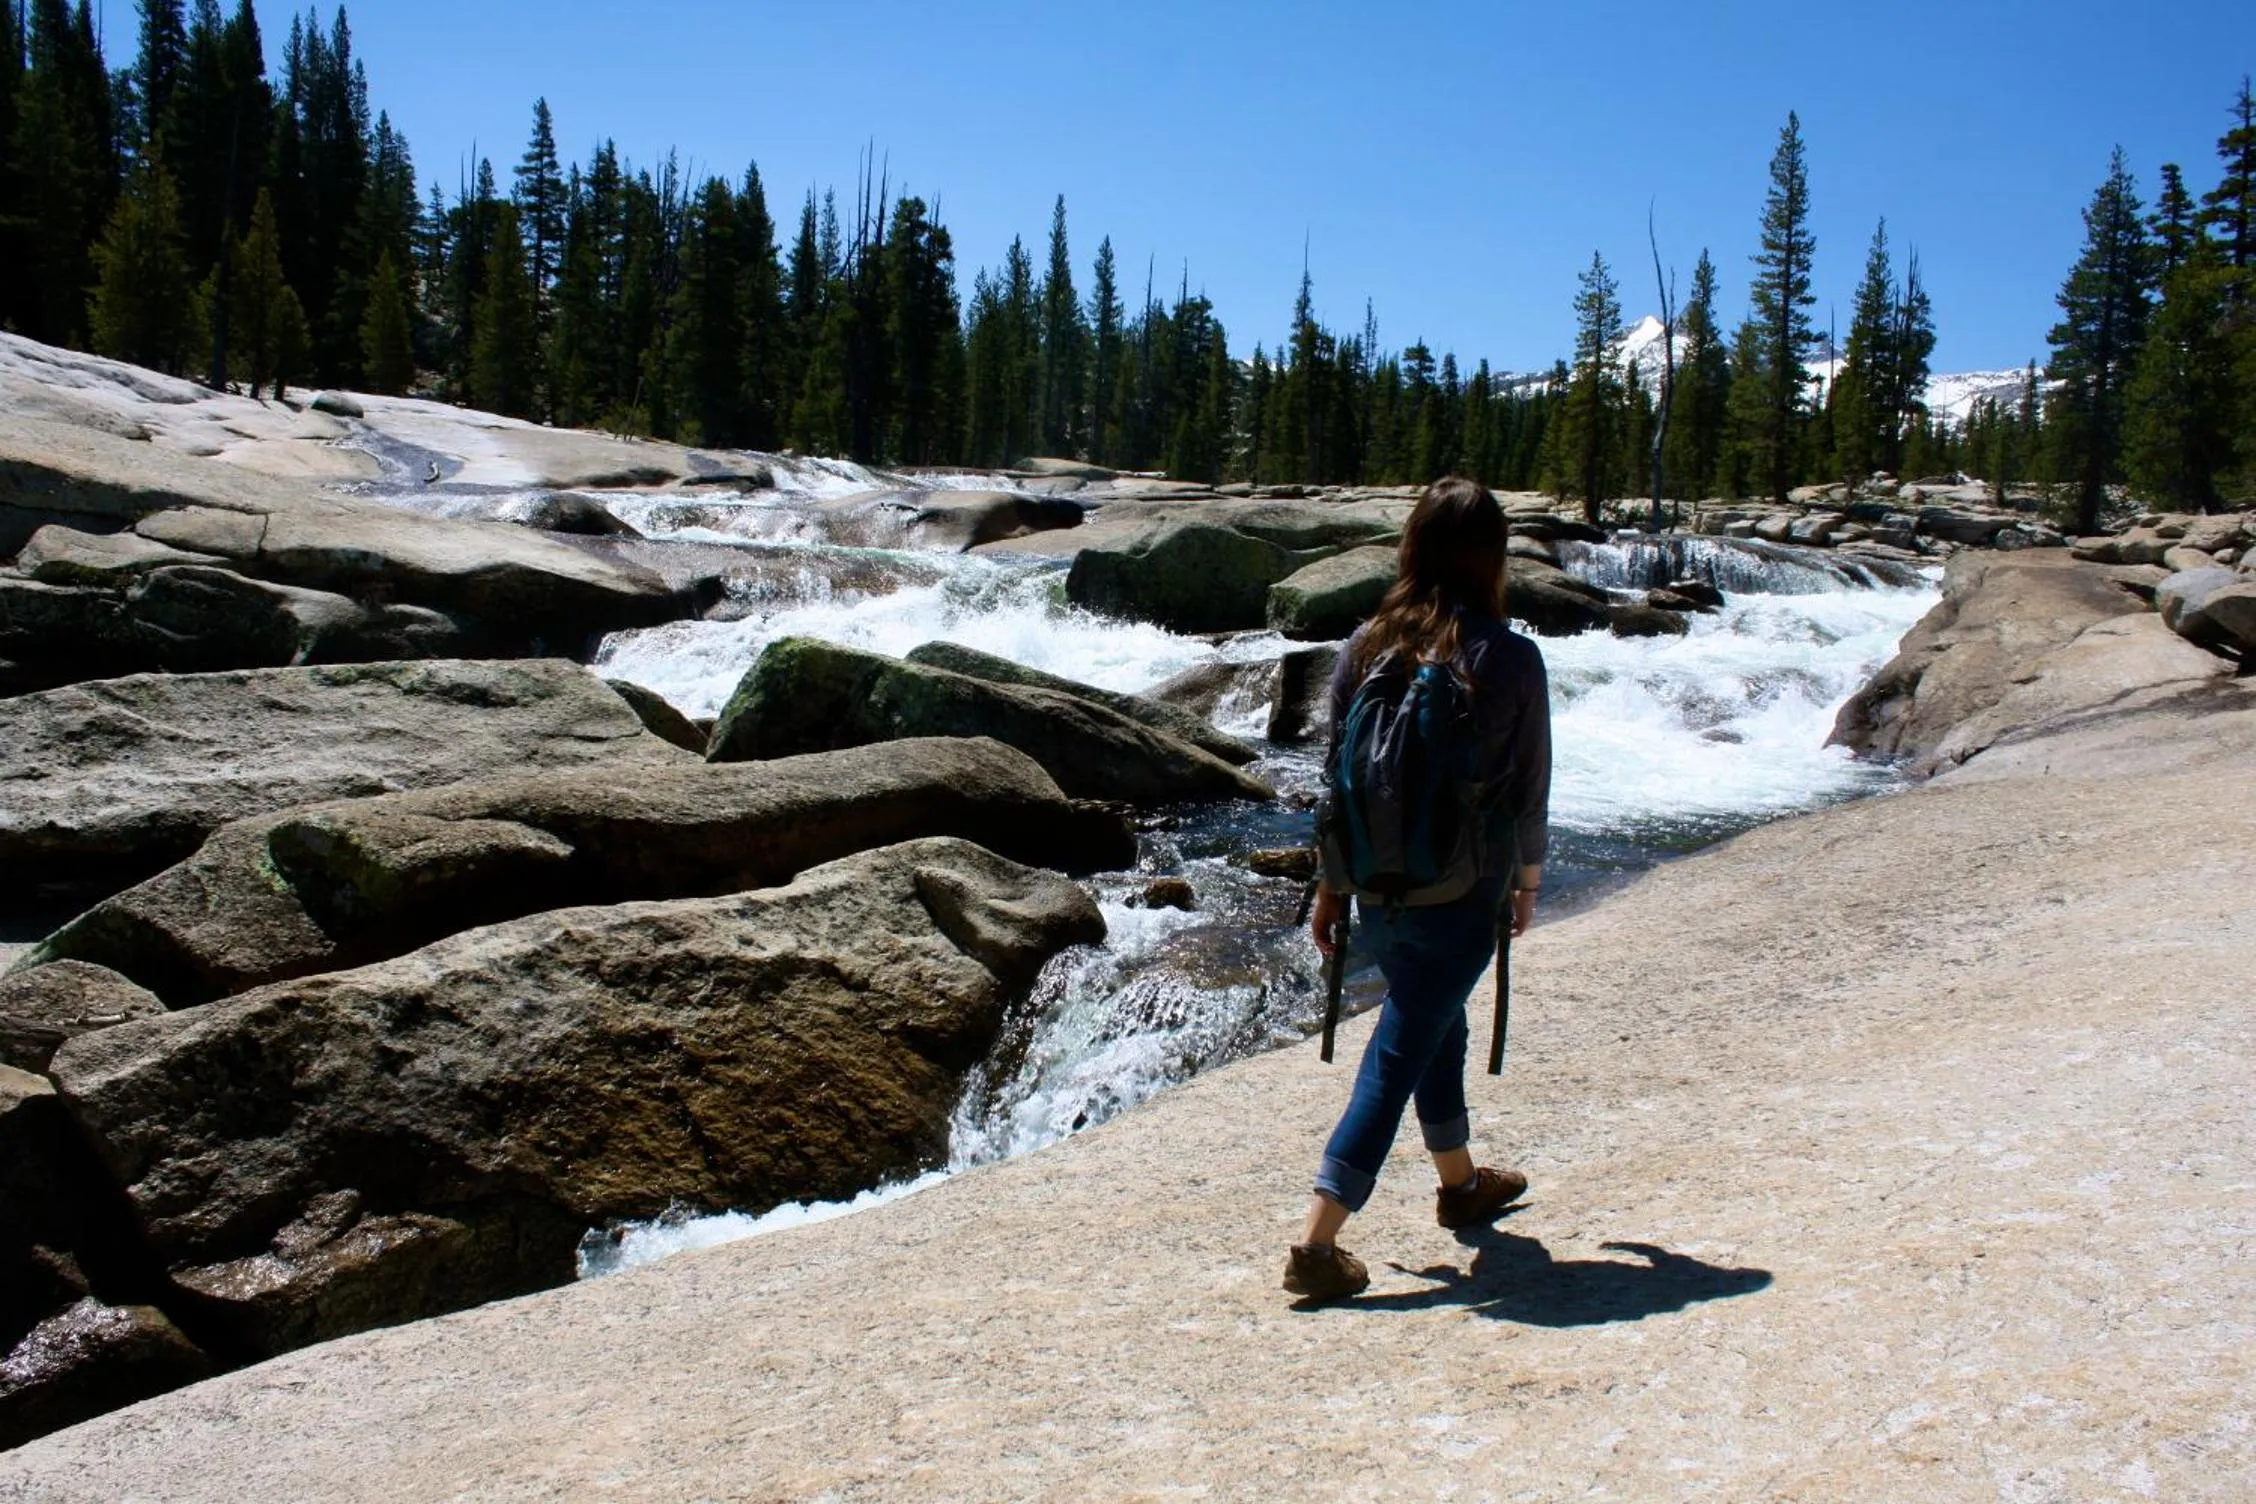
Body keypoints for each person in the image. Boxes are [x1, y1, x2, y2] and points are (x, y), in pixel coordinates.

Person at [1284, 476, 1552, 1301]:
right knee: (1403, 1041)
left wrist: (1331, 889)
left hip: (1378, 882)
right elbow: (1529, 785)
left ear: (1412, 548)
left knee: (1437, 1021)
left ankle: (1460, 1182)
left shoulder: (1367, 645)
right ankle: (1317, 1243)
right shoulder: (1507, 655)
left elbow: (1334, 777)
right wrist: (1528, 878)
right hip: (1463, 890)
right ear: (1491, 559)